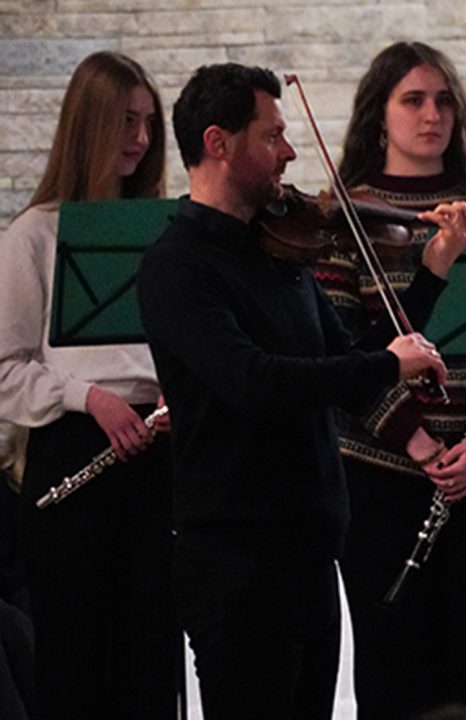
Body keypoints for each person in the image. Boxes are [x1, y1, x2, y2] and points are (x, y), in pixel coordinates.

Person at [136, 62, 445, 720]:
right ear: (218, 143)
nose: (291, 150)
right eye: (273, 135)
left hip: (309, 554)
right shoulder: (177, 267)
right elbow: (255, 382)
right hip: (236, 565)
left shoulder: (278, 254)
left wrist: (431, 279)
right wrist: (388, 367)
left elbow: (353, 361)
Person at [318, 41, 466, 718]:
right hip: (381, 478)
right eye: (412, 99)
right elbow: (347, 357)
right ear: (379, 116)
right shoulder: (340, 220)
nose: (431, 114)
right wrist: (419, 444)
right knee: (392, 673)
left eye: (443, 100)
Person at [0, 51, 181, 719]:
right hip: (74, 448)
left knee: (150, 657)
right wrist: (89, 398)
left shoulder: (166, 234)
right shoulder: (36, 234)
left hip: (153, 449)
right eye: (123, 121)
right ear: (87, 124)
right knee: (75, 661)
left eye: (147, 122)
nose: (138, 138)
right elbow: (4, 367)